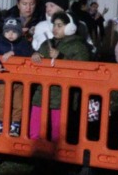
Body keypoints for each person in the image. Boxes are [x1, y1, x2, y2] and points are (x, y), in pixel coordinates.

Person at [30, 9, 94, 141]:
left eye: (60, 25)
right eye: (54, 25)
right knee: (36, 126)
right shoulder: (47, 43)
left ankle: (56, 155)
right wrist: (36, 55)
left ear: (70, 27)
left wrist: (61, 57)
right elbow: (40, 57)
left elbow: (82, 68)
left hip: (63, 96)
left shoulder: (78, 46)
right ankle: (36, 151)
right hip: (42, 92)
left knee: (58, 132)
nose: (55, 28)